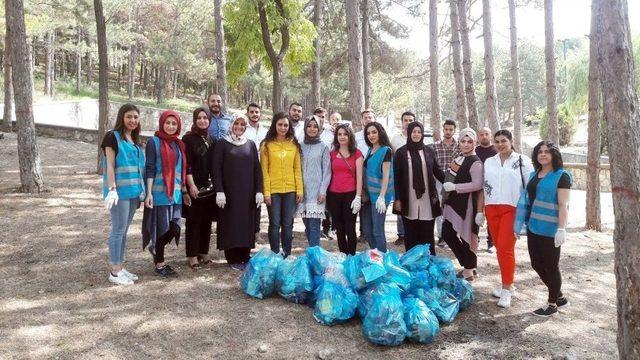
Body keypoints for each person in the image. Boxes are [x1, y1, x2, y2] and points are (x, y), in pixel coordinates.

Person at [477, 129, 534, 308]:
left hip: (512, 208)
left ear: (511, 141)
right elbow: (483, 187)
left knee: (505, 249)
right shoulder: (489, 161)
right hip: (491, 208)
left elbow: (531, 187)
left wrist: (528, 212)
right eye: (497, 141)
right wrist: (481, 211)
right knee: (500, 249)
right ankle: (509, 284)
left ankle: (507, 290)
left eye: (504, 141)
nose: (500, 144)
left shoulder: (522, 161)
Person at [514, 140, 571, 317]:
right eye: (540, 151)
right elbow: (526, 200)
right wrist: (519, 224)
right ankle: (559, 296)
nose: (543, 154)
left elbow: (563, 205)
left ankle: (552, 304)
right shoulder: (533, 174)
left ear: (554, 155)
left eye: (547, 151)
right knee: (536, 264)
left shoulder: (562, 176)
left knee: (551, 266)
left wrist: (561, 229)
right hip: (534, 226)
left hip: (550, 229)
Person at [101, 103, 145, 285]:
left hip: (133, 192)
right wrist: (112, 189)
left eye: (135, 117)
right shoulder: (113, 137)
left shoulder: (134, 139)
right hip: (119, 193)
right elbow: (110, 165)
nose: (132, 120)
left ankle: (120, 266)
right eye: (129, 117)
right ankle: (114, 270)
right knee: (118, 230)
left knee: (124, 230)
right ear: (121, 117)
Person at [142, 110, 188, 278]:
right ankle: (160, 263)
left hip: (176, 194)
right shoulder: (154, 142)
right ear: (162, 123)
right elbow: (151, 168)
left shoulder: (179, 144)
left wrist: (184, 191)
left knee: (175, 226)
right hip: (159, 193)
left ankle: (155, 249)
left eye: (174, 123)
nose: (170, 126)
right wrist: (148, 193)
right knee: (162, 229)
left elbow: (181, 170)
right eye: (167, 123)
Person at [214, 114, 264, 270]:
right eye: (236, 123)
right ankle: (232, 257)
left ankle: (244, 254)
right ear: (231, 125)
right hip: (229, 194)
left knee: (245, 224)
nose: (239, 127)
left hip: (247, 193)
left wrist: (259, 190)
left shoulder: (250, 144)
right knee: (231, 224)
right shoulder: (222, 144)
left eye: (243, 124)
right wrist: (219, 191)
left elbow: (257, 169)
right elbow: (216, 169)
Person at [393, 121, 445, 255]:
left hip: (427, 198)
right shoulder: (401, 152)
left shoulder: (429, 151)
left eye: (419, 132)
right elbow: (397, 178)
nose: (416, 134)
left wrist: (454, 183)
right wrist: (397, 199)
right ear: (409, 133)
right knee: (410, 234)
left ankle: (429, 263)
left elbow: (437, 171)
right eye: (413, 132)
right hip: (408, 198)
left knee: (427, 234)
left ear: (422, 134)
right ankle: (412, 264)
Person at [441, 128, 484, 281]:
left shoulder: (475, 162)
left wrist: (455, 187)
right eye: (463, 141)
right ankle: (469, 265)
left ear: (475, 143)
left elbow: (478, 184)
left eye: (469, 141)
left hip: (467, 206)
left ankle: (468, 270)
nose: (466, 144)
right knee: (447, 233)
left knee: (467, 238)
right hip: (453, 203)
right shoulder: (459, 158)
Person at [261, 112, 304, 258]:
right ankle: (275, 254)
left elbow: (297, 169)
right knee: (274, 224)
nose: (283, 127)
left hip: (291, 190)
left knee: (287, 224)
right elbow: (264, 171)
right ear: (274, 125)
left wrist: (300, 190)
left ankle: (287, 254)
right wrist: (266, 193)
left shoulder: (294, 145)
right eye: (280, 124)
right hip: (273, 191)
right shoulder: (266, 145)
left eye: (286, 125)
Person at [182, 106, 217, 270]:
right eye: (199, 118)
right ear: (195, 120)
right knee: (193, 222)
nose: (202, 121)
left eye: (205, 118)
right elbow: (186, 164)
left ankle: (204, 252)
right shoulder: (188, 139)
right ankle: (192, 255)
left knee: (207, 222)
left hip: (210, 188)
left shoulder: (212, 139)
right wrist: (191, 185)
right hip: (194, 186)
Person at [327, 124, 363, 255]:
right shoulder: (331, 154)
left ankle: (351, 256)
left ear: (350, 136)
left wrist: (358, 197)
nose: (342, 137)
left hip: (350, 194)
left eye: (345, 134)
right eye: (339, 134)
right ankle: (343, 255)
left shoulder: (357, 154)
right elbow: (327, 174)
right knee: (339, 227)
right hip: (334, 194)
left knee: (350, 227)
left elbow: (359, 176)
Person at [297, 115, 331, 247]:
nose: (312, 129)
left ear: (319, 128)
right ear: (305, 128)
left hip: (317, 192)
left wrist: (323, 191)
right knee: (306, 224)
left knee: (314, 226)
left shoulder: (323, 147)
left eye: (315, 126)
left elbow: (327, 171)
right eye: (309, 126)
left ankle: (314, 254)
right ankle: (312, 250)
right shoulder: (299, 146)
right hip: (303, 191)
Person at [361, 122, 394, 253]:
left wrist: (381, 197)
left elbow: (386, 175)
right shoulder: (370, 150)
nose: (371, 135)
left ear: (380, 132)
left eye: (374, 132)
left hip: (379, 197)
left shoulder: (386, 150)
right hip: (368, 197)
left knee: (377, 231)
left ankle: (383, 260)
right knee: (367, 230)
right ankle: (376, 256)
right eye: (368, 133)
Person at [432, 119, 460, 249]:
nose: (448, 132)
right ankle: (441, 236)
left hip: (455, 181)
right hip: (439, 180)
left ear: (454, 130)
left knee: (454, 207)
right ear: (443, 130)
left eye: (451, 129)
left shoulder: (460, 146)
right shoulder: (435, 146)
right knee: (440, 207)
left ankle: (453, 234)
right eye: (446, 129)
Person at [390, 111, 416, 246]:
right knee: (400, 204)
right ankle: (401, 234)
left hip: (416, 179)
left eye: (410, 120)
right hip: (400, 177)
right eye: (405, 120)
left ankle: (414, 233)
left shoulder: (418, 137)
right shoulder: (395, 139)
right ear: (402, 122)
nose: (408, 123)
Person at [244, 102, 268, 239]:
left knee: (258, 200)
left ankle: (256, 231)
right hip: (246, 169)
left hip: (262, 169)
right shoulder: (244, 129)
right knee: (246, 199)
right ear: (248, 113)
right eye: (252, 112)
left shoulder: (265, 131)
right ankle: (246, 229)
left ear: (260, 114)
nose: (254, 114)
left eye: (257, 112)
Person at [475, 127, 498, 253]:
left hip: (492, 188)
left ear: (491, 136)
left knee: (491, 216)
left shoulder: (496, 151)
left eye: (486, 134)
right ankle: (475, 240)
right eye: (481, 134)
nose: (484, 136)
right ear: (478, 137)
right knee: (475, 214)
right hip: (476, 187)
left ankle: (491, 242)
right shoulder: (475, 151)